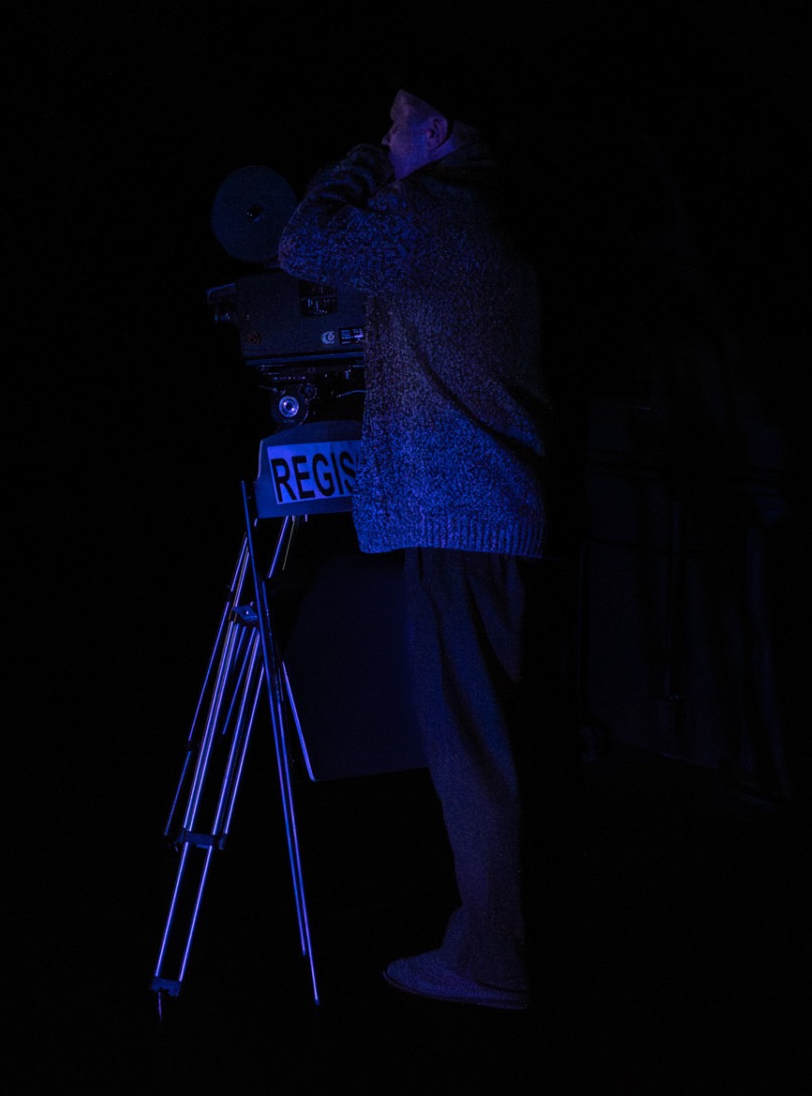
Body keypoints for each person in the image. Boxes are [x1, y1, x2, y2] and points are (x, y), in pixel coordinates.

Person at [277, 80, 563, 1010]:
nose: (385, 136)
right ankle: (483, 938)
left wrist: (361, 167)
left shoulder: (431, 214)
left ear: (438, 130)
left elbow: (302, 245)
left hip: (461, 516)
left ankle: (491, 960)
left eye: (397, 124)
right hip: (482, 515)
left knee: (468, 745)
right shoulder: (480, 211)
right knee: (482, 737)